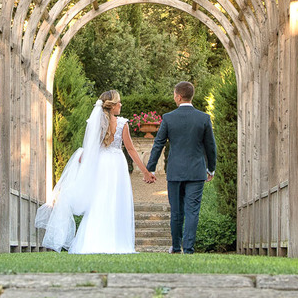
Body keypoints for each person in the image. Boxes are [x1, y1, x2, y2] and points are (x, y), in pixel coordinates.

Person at [35, 90, 151, 253]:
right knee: (116, 201)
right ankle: (116, 242)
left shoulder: (95, 122)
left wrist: (84, 159)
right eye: (119, 102)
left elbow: (90, 148)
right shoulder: (122, 123)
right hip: (117, 165)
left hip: (101, 164)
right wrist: (145, 171)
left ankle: (90, 242)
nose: (121, 105)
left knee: (98, 201)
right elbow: (131, 149)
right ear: (113, 106)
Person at [146, 81, 216, 254]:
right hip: (196, 171)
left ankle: (176, 247)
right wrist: (211, 169)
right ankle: (189, 249)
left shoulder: (169, 118)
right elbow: (211, 147)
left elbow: (158, 144)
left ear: (178, 96)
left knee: (176, 212)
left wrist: (151, 168)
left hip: (175, 172)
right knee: (192, 211)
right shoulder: (204, 118)